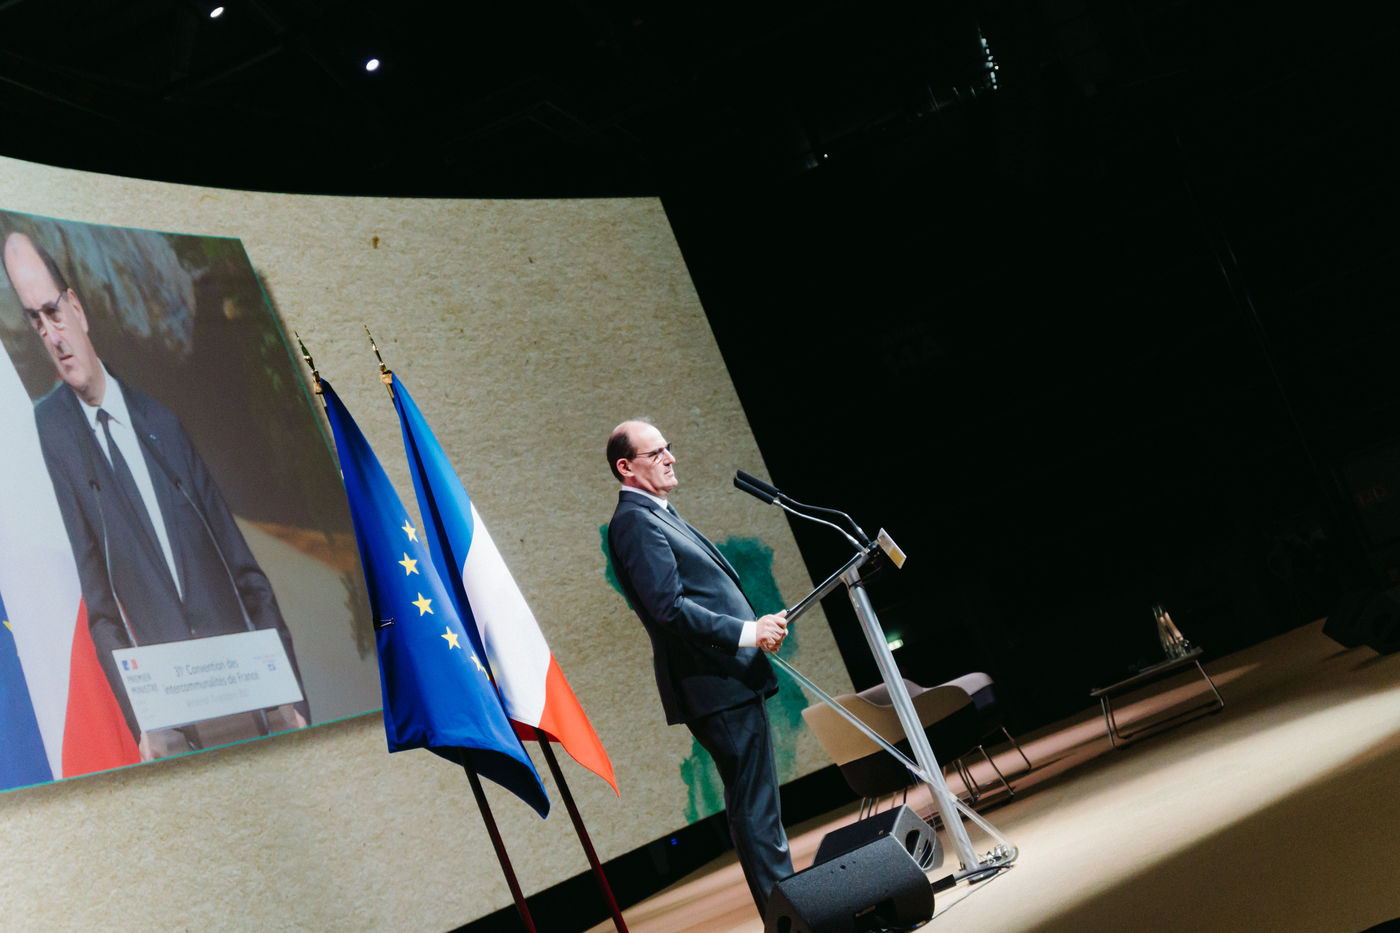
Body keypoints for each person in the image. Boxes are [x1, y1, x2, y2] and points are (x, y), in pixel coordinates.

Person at [2, 231, 308, 759]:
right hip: (171, 733)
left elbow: (247, 576)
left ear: (77, 308)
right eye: (36, 321)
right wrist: (141, 722)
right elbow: (99, 608)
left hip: (249, 705)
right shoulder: (48, 434)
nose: (52, 335)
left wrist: (291, 697)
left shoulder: (161, 423)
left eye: (53, 312)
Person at [606, 419, 793, 917]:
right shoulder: (634, 522)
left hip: (729, 681)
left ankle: (791, 914)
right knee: (755, 809)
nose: (670, 458)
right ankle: (790, 920)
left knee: (758, 806)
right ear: (626, 467)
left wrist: (755, 630)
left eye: (668, 448)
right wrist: (748, 632)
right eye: (655, 453)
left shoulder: (657, 513)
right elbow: (669, 608)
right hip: (713, 685)